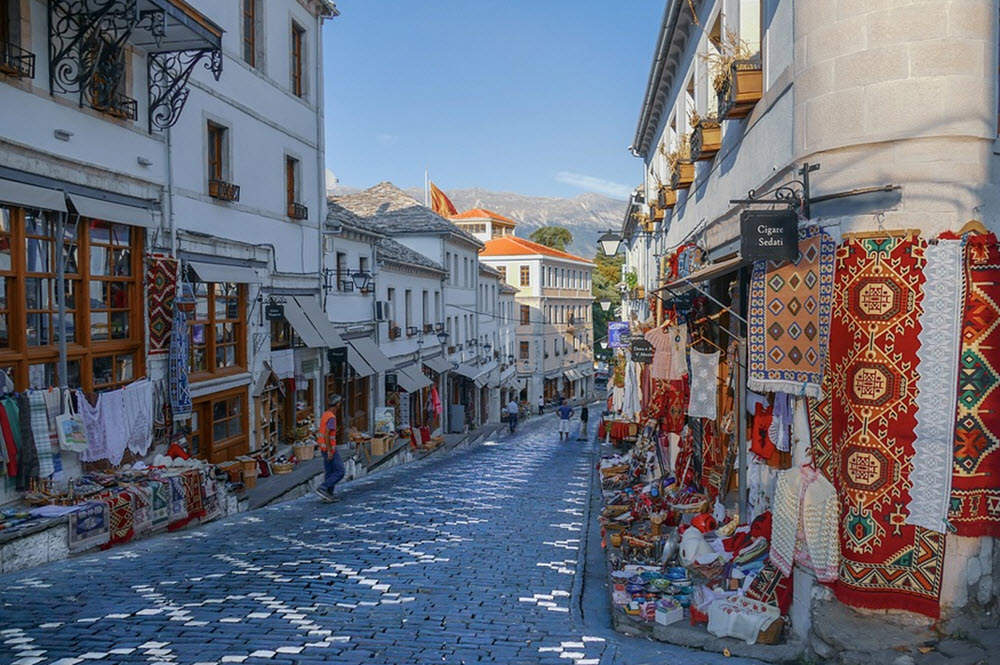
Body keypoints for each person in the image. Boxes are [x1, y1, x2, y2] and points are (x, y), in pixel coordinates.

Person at [315, 394, 345, 503]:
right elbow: (327, 434)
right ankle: (323, 487)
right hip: (329, 449)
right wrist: (329, 451)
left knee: (330, 471)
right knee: (340, 471)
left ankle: (328, 494)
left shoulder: (325, 414)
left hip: (323, 448)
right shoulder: (332, 417)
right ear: (337, 404)